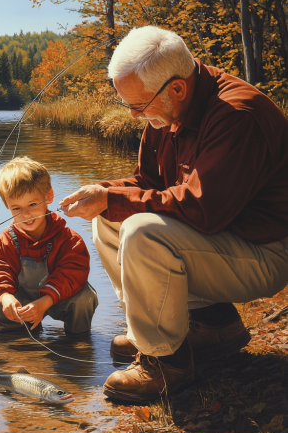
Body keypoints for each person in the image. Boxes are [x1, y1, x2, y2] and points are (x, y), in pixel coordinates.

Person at [60, 26, 288, 402]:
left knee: (142, 231)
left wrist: (114, 200)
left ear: (177, 88)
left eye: (138, 106)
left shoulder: (237, 116)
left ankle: (166, 362)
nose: (133, 117)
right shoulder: (168, 109)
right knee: (110, 215)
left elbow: (202, 209)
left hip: (264, 252)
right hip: (223, 239)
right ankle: (210, 325)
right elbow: (147, 181)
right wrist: (103, 192)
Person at [0, 156, 98, 334]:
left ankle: (78, 342)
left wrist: (45, 302)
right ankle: (18, 330)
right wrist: (6, 297)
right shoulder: (6, 240)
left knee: (85, 297)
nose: (26, 214)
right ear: (7, 206)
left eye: (32, 204)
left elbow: (72, 274)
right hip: (23, 302)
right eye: (17, 208)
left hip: (58, 299)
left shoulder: (70, 240)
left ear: (49, 196)